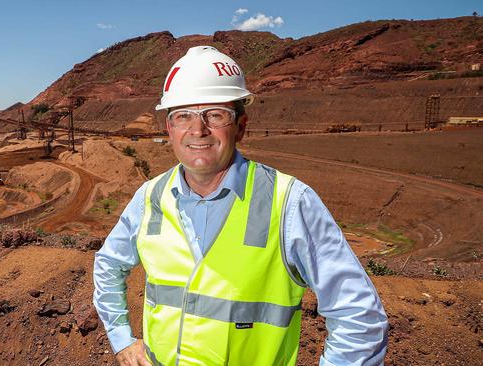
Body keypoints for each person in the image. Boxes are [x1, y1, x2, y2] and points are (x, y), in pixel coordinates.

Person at [93, 46, 388, 366]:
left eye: (215, 115)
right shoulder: (150, 197)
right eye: (183, 116)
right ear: (169, 129)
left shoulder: (289, 203)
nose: (197, 130)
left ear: (241, 126)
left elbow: (360, 319)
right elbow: (108, 266)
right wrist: (122, 339)